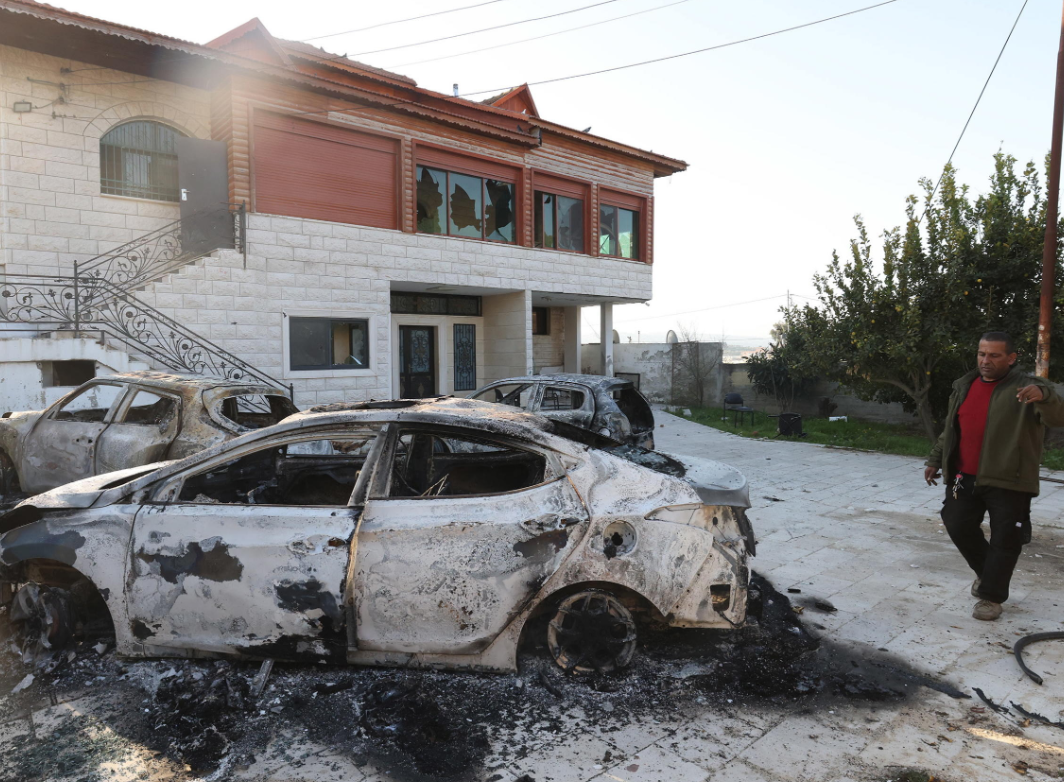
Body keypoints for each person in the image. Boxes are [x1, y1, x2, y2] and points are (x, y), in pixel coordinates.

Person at [925, 332, 1064, 621]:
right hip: (964, 476)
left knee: (1005, 539)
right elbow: (952, 428)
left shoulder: (1029, 387)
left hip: (1009, 478)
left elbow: (1057, 416)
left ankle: (991, 597)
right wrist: (936, 459)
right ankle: (989, 575)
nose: (985, 360)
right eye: (982, 354)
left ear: (1011, 358)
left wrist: (1045, 396)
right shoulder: (965, 385)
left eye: (994, 355)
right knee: (956, 522)